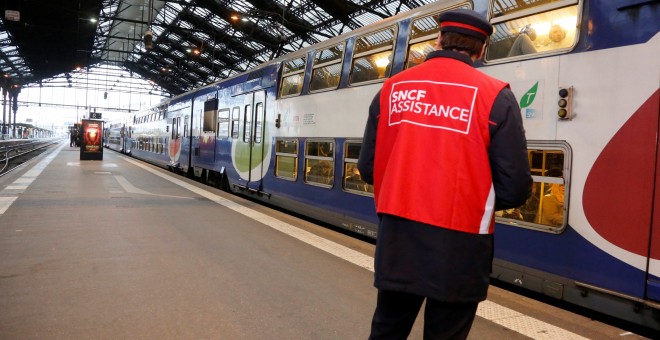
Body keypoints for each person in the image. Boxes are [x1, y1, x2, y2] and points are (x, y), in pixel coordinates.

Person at [357, 8, 532, 339]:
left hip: (398, 237)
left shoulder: (392, 89)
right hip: (461, 244)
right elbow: (514, 186)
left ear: (438, 39)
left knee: (387, 328)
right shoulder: (496, 95)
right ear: (482, 49)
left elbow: (368, 168)